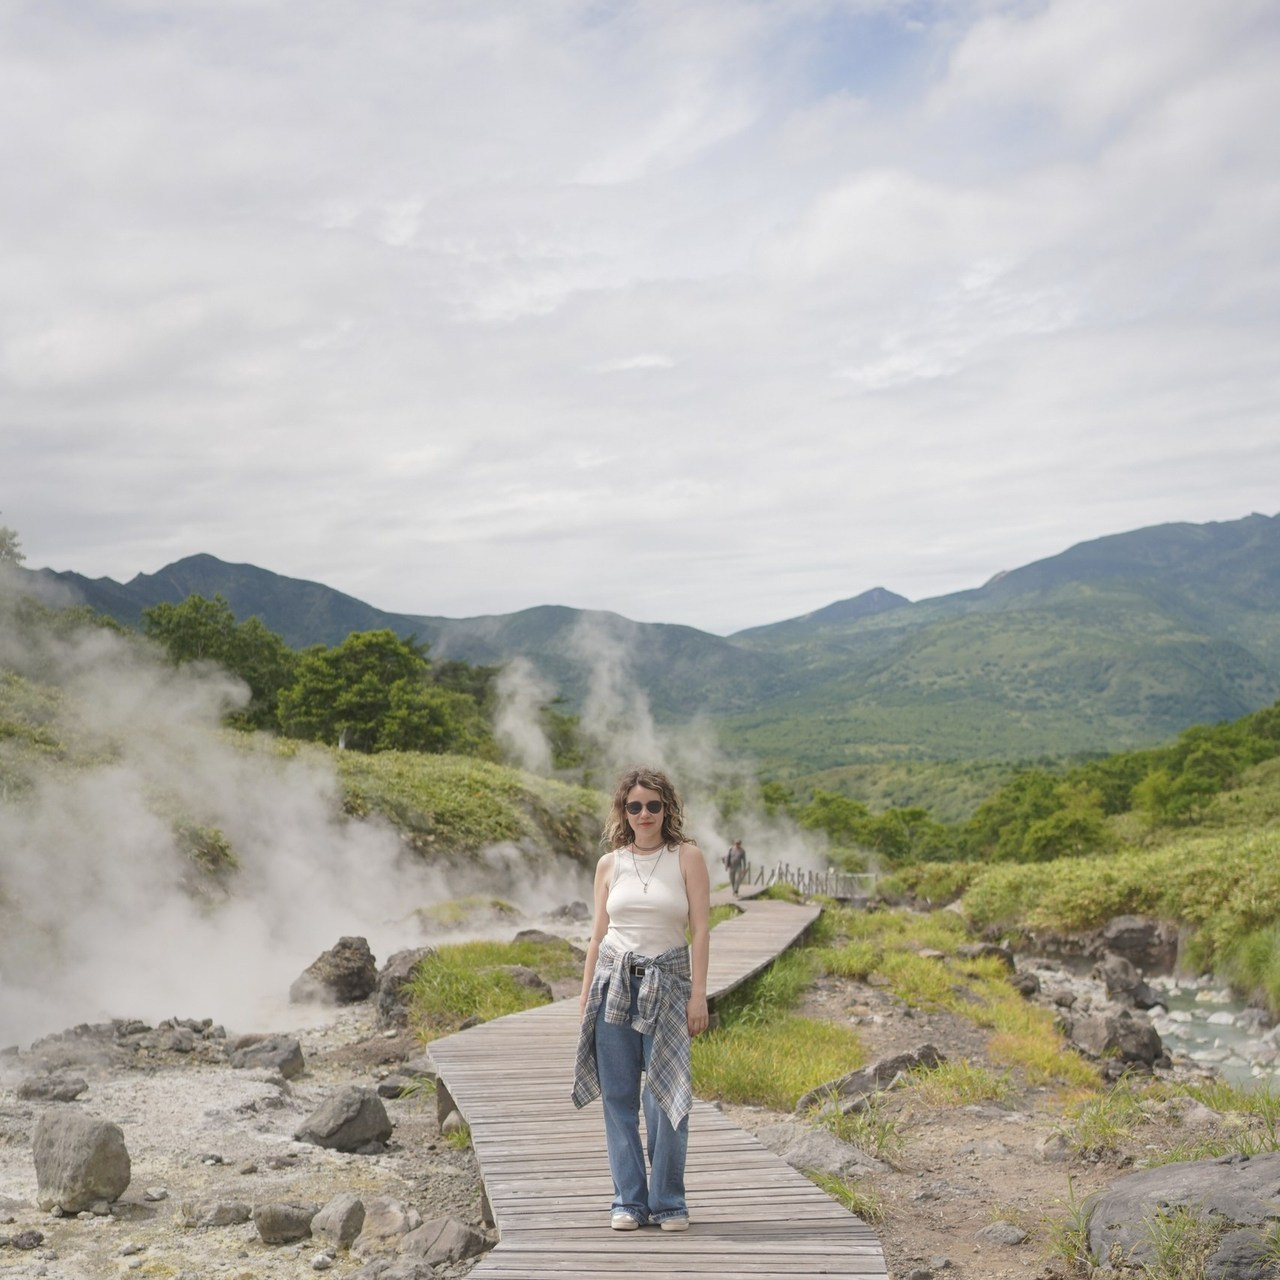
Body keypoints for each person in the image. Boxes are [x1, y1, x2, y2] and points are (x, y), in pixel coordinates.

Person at [572, 766, 711, 1233]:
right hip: (612, 984)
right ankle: (628, 1201)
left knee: (666, 1096)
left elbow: (701, 930)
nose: (644, 813)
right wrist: (585, 997)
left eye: (653, 805)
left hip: (668, 985)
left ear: (666, 808)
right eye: (635, 806)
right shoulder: (609, 864)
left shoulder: (686, 856)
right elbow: (597, 936)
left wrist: (699, 995)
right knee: (618, 1097)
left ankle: (668, 1202)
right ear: (624, 811)